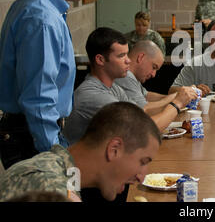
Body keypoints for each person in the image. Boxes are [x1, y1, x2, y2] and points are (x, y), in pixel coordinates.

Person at [0, 0, 96, 169]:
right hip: (31, 135)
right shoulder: (42, 18)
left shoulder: (36, 4)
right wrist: (54, 156)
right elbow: (38, 97)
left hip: (31, 130)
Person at [0, 102, 161, 202]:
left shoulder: (67, 175)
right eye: (142, 162)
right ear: (114, 149)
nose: (142, 177)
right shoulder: (50, 186)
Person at [63, 27, 197, 146]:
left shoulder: (113, 88)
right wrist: (177, 103)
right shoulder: (93, 95)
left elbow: (141, 113)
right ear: (100, 60)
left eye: (127, 54)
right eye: (121, 56)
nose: (128, 60)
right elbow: (144, 131)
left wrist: (174, 98)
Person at [115, 40, 175, 111]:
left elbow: (146, 95)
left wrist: (173, 97)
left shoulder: (133, 76)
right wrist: (175, 102)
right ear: (141, 57)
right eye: (154, 67)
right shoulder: (125, 75)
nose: (154, 74)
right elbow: (143, 110)